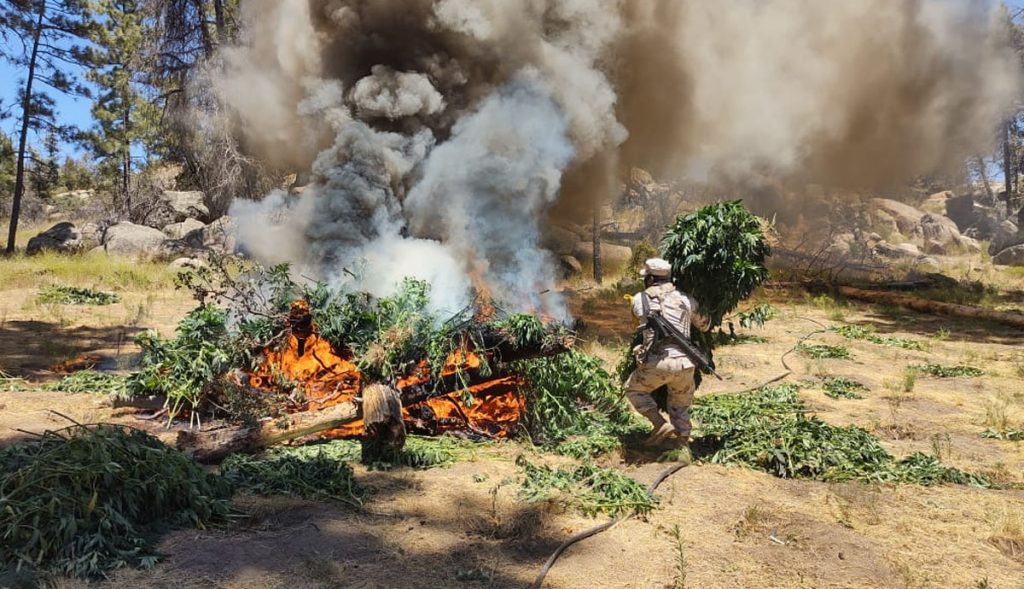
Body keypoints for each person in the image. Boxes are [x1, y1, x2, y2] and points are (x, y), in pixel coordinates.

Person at [624, 258, 710, 450]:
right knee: (680, 405)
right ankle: (681, 447)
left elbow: (636, 328)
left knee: (633, 389)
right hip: (685, 364)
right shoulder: (686, 299)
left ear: (650, 279)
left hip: (658, 363)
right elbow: (704, 325)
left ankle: (660, 424)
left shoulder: (639, 299)